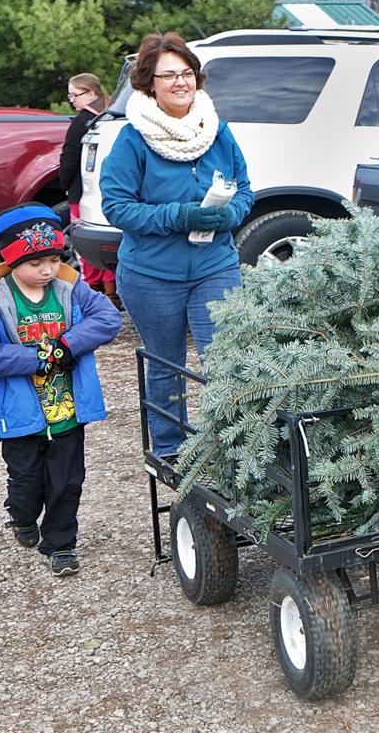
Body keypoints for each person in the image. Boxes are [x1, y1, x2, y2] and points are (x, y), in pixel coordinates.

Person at [99, 31, 254, 458]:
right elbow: (118, 208)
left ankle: (236, 451)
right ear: (150, 82)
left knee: (225, 363)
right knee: (167, 366)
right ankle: (171, 450)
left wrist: (231, 213)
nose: (180, 82)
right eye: (168, 75)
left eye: (186, 73)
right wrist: (177, 215)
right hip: (152, 275)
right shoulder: (133, 139)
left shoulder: (218, 130)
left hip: (215, 267)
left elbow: (244, 190)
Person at [0, 204, 122, 577]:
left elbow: (108, 318)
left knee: (67, 484)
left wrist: (66, 346)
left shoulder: (70, 287)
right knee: (26, 485)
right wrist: (35, 359)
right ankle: (21, 515)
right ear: (10, 259)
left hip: (67, 412)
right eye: (35, 263)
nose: (46, 270)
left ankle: (61, 543)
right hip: (21, 415)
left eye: (53, 259)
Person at [59, 72, 120, 307]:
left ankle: (95, 300)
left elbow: (69, 159)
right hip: (104, 193)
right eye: (70, 95)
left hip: (81, 192)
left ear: (91, 93)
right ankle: (112, 295)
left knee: (86, 250)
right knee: (105, 251)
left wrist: (65, 185)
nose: (72, 100)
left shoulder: (81, 122)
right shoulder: (109, 117)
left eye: (75, 94)